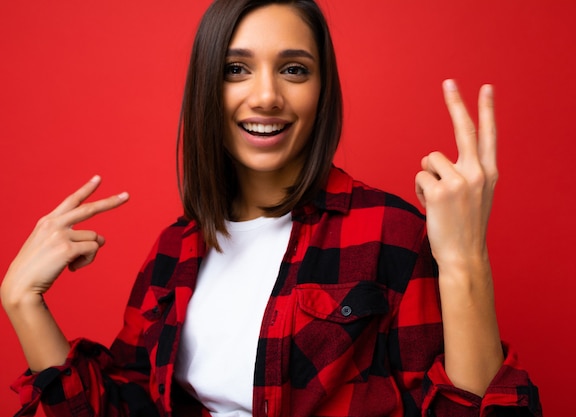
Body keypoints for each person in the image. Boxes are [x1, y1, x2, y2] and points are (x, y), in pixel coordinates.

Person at [1, 0, 541, 416]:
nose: (265, 96)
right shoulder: (174, 249)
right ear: (206, 88)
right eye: (236, 69)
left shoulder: (389, 233)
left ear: (322, 90)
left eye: (294, 70)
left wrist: (466, 261)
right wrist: (24, 303)